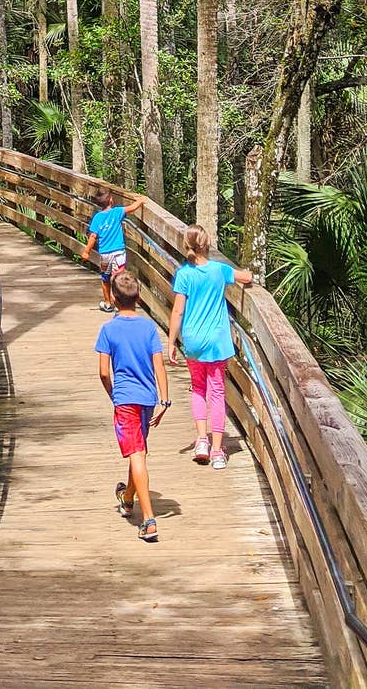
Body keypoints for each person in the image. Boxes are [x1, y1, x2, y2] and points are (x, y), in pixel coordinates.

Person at [166, 224, 254, 470]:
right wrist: (250, 276)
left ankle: (201, 441)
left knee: (198, 388)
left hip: (193, 341)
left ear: (188, 246)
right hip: (217, 341)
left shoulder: (184, 274)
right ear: (208, 244)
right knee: (216, 392)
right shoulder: (219, 270)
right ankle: (217, 451)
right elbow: (245, 277)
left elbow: (178, 310)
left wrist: (172, 341)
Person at [94, 270, 171, 541]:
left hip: (125, 398)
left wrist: (113, 393)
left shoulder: (108, 330)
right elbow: (158, 365)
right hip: (148, 399)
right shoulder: (149, 328)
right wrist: (164, 400)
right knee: (138, 449)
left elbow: (104, 372)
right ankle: (127, 498)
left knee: (136, 453)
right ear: (138, 297)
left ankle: (149, 520)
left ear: (114, 299)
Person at [81, 188, 146, 312]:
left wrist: (87, 251)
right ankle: (121, 302)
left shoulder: (97, 218)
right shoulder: (117, 212)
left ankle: (107, 303)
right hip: (118, 252)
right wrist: (141, 201)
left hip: (105, 253)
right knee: (119, 276)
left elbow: (93, 236)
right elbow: (131, 208)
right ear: (111, 200)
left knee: (105, 278)